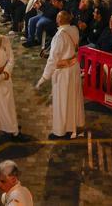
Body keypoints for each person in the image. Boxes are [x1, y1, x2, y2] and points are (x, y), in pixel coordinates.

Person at [37, 11, 84, 139]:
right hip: (74, 68)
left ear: (60, 20)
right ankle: (71, 126)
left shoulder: (59, 36)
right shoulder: (74, 29)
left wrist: (44, 77)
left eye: (58, 16)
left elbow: (53, 59)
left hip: (63, 72)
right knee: (72, 99)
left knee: (62, 100)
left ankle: (60, 131)